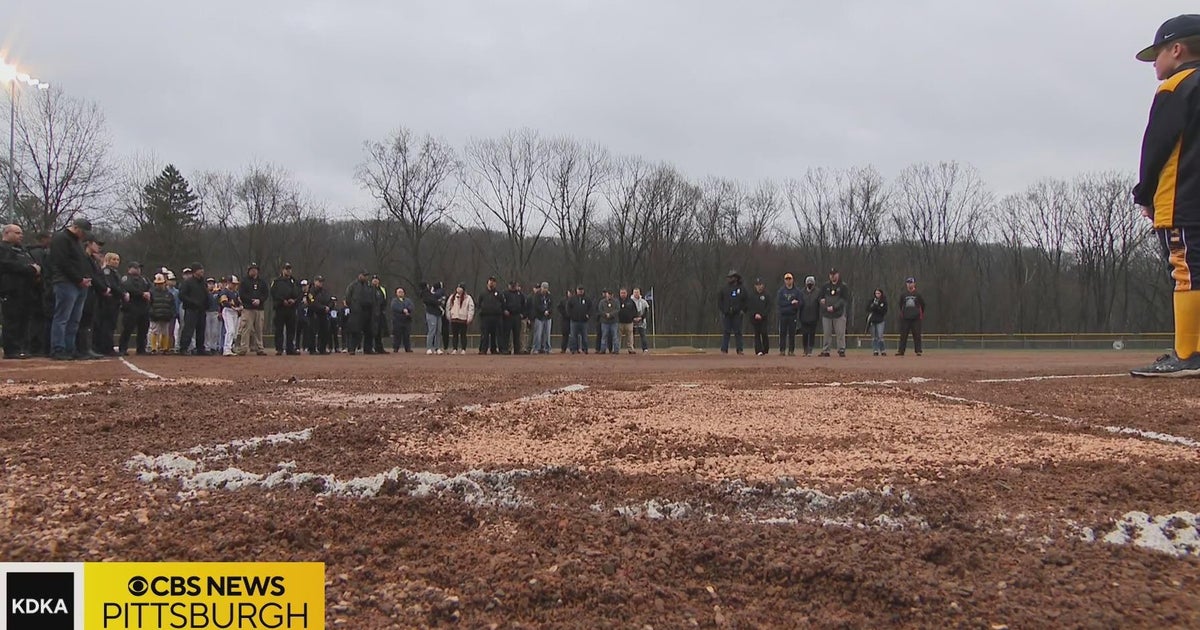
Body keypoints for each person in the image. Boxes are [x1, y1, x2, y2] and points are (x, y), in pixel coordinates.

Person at [1131, 15, 1200, 376]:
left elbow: (1157, 145)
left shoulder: (1177, 86)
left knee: (1186, 270)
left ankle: (1189, 354)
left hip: (1183, 200)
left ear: (1177, 49)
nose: (1155, 63)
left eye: (1157, 54)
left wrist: (1145, 192)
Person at [48, 218, 93, 360]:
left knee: (74, 319)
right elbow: (62, 262)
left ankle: (69, 348)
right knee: (62, 317)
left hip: (79, 284)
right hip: (66, 282)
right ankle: (58, 348)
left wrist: (84, 278)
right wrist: (78, 279)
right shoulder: (61, 238)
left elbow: (79, 262)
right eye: (83, 232)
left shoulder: (77, 242)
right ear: (76, 228)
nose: (84, 236)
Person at [0, 224, 41, 359]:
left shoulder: (22, 250)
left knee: (25, 319)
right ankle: (11, 350)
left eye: (21, 233)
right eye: (17, 233)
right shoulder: (2, 249)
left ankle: (23, 347)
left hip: (26, 290)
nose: (20, 235)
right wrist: (29, 268)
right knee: (12, 320)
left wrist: (35, 270)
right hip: (11, 290)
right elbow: (6, 265)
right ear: (6, 233)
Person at [74, 236, 107, 360]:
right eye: (97, 244)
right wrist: (103, 288)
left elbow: (98, 276)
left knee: (88, 322)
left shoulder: (93, 260)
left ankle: (87, 348)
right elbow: (91, 276)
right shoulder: (84, 258)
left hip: (93, 293)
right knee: (83, 321)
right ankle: (81, 349)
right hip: (85, 291)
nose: (99, 247)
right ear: (88, 244)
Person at [93, 252, 125, 356]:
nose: (116, 262)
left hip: (115, 302)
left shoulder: (115, 272)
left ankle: (107, 346)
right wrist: (123, 294)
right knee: (107, 325)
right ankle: (106, 348)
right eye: (113, 259)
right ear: (108, 260)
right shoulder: (107, 272)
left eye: (117, 259)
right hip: (107, 302)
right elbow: (112, 286)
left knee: (111, 325)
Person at [117, 261, 151, 356]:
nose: (138, 269)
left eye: (139, 268)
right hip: (131, 308)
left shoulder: (144, 279)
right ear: (130, 269)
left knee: (143, 330)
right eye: (135, 268)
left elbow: (150, 287)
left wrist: (149, 293)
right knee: (127, 329)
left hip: (143, 308)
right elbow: (128, 287)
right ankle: (123, 348)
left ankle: (141, 349)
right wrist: (141, 294)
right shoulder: (125, 278)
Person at [26, 231, 51, 356]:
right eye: (48, 238)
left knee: (36, 319)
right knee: (37, 319)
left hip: (35, 290)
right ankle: (36, 347)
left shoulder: (29, 252)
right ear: (42, 239)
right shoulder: (39, 253)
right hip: (38, 290)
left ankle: (34, 346)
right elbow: (41, 271)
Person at [236, 263, 268, 356]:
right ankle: (243, 348)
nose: (253, 271)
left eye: (255, 269)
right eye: (251, 269)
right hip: (248, 308)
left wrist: (260, 300)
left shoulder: (262, 282)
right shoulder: (244, 282)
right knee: (246, 328)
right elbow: (242, 294)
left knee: (259, 329)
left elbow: (265, 294)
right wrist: (250, 300)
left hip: (259, 308)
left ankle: (259, 348)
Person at [177, 263, 209, 355]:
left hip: (202, 310)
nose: (202, 271)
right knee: (188, 329)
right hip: (191, 309)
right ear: (195, 271)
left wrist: (207, 304)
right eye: (200, 269)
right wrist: (192, 302)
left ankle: (200, 349)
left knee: (201, 330)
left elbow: (206, 295)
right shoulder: (188, 282)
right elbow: (182, 295)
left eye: (202, 269)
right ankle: (183, 348)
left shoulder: (203, 283)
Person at [270, 263, 301, 355]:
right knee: (279, 329)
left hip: (291, 309)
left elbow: (299, 294)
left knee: (291, 329)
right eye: (286, 269)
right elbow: (273, 293)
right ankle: (279, 348)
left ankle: (290, 348)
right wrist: (282, 300)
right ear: (282, 270)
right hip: (280, 308)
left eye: (289, 269)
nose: (288, 271)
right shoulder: (277, 281)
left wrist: (294, 300)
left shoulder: (294, 281)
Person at [819, 268, 850, 358]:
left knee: (840, 333)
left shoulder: (843, 286)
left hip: (839, 314)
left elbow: (844, 300)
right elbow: (821, 298)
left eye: (834, 274)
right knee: (827, 333)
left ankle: (841, 349)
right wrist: (824, 304)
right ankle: (826, 350)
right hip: (827, 314)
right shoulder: (825, 286)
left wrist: (834, 307)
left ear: (838, 274)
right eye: (831, 274)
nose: (833, 276)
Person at [718, 270, 748, 355]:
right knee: (726, 331)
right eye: (729, 277)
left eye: (731, 277)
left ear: (735, 278)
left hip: (737, 314)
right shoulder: (724, 289)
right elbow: (720, 300)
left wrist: (743, 310)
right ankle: (724, 349)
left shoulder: (741, 288)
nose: (729, 279)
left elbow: (746, 300)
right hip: (727, 313)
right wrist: (723, 310)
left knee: (738, 332)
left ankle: (739, 349)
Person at [344, 271, 375, 355]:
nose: (366, 277)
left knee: (369, 331)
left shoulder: (369, 286)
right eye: (364, 275)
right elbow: (348, 298)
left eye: (367, 276)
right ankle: (352, 349)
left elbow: (373, 297)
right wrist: (353, 307)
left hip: (368, 311)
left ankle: (368, 349)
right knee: (355, 331)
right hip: (357, 312)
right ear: (360, 275)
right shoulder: (353, 286)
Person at [896, 278, 926, 357]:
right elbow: (900, 305)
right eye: (908, 283)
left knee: (917, 335)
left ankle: (918, 351)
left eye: (911, 283)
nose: (909, 284)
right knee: (903, 335)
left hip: (916, 318)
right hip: (905, 318)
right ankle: (901, 351)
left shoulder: (918, 294)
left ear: (914, 284)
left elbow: (923, 305)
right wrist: (903, 313)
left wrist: (919, 313)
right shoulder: (903, 295)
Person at [149, 273, 176, 353]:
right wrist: (152, 313)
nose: (159, 285)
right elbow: (149, 305)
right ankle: (154, 348)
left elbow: (172, 305)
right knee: (154, 332)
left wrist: (171, 314)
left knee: (165, 332)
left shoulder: (169, 294)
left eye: (161, 283)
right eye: (157, 284)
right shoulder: (152, 293)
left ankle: (164, 348)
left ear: (164, 283)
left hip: (166, 316)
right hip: (155, 316)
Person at [776, 273, 802, 356]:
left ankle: (791, 350)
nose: (788, 281)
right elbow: (780, 303)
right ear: (784, 280)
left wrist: (794, 305)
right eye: (786, 279)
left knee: (792, 334)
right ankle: (782, 350)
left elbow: (800, 303)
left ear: (792, 280)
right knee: (782, 333)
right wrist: (790, 303)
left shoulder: (797, 291)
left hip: (792, 315)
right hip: (783, 315)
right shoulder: (781, 291)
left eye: (789, 279)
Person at [446, 283, 475, 354]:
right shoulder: (452, 297)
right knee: (455, 335)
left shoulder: (468, 298)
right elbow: (448, 307)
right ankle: (455, 349)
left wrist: (469, 317)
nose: (458, 289)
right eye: (458, 287)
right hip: (454, 318)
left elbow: (471, 308)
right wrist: (449, 316)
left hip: (463, 319)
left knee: (463, 335)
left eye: (460, 288)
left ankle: (463, 349)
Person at [477, 276, 503, 354]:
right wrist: (480, 311)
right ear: (487, 283)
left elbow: (502, 304)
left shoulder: (498, 293)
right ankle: (483, 349)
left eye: (493, 281)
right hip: (485, 317)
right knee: (484, 334)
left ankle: (494, 349)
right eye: (490, 281)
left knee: (495, 334)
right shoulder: (482, 294)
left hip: (496, 317)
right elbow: (478, 304)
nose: (492, 283)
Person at [306, 276, 331, 354]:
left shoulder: (325, 291)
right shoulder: (311, 292)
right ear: (315, 281)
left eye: (321, 281)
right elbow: (312, 302)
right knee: (312, 331)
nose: (321, 283)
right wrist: (323, 307)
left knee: (324, 331)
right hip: (314, 313)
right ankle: (312, 349)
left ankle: (322, 348)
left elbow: (330, 300)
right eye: (319, 281)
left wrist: (329, 307)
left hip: (323, 314)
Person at [219, 276, 243, 356]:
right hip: (227, 311)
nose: (235, 285)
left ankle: (231, 347)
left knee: (235, 332)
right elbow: (224, 302)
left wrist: (240, 307)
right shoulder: (224, 291)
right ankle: (226, 349)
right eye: (233, 284)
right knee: (230, 330)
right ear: (229, 283)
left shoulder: (236, 292)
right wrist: (234, 307)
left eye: (235, 284)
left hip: (235, 312)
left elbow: (239, 302)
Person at [748, 278, 771, 356]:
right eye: (757, 285)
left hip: (764, 318)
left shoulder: (766, 295)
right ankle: (758, 350)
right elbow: (749, 307)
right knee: (757, 334)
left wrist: (762, 315)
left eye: (760, 285)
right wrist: (755, 314)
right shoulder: (751, 296)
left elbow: (769, 307)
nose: (759, 287)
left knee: (764, 333)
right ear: (755, 286)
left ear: (763, 285)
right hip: (754, 318)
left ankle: (766, 350)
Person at [799, 276, 820, 357]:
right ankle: (805, 349)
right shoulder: (802, 292)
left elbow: (819, 303)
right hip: (804, 316)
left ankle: (810, 349)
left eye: (811, 283)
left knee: (812, 334)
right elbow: (800, 304)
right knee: (804, 334)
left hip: (814, 316)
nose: (810, 284)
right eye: (808, 283)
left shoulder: (817, 292)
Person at [423, 281, 446, 354]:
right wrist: (438, 302)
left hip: (438, 313)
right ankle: (429, 348)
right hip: (431, 313)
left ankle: (437, 348)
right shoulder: (427, 294)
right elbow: (430, 301)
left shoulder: (440, 294)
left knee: (438, 331)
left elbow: (442, 301)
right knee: (432, 330)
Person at [502, 280, 525, 354]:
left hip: (517, 316)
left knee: (517, 334)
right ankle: (506, 349)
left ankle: (517, 350)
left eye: (514, 285)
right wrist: (504, 310)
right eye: (512, 285)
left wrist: (522, 313)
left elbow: (524, 304)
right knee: (506, 334)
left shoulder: (520, 294)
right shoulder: (505, 293)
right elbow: (502, 304)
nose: (513, 286)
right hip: (508, 316)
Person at [567, 286, 591, 354]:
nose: (580, 291)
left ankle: (585, 349)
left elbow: (591, 308)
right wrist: (571, 315)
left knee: (585, 336)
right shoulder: (572, 299)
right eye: (579, 290)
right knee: (573, 336)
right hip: (574, 321)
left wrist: (588, 315)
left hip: (584, 321)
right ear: (576, 290)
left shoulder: (587, 299)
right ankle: (573, 349)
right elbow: (568, 308)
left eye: (581, 290)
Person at [531, 282, 554, 354]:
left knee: (547, 334)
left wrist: (548, 311)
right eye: (544, 288)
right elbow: (536, 305)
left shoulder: (549, 296)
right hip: (539, 317)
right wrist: (543, 311)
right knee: (538, 334)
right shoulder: (537, 295)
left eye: (546, 288)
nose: (545, 290)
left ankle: (547, 348)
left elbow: (552, 305)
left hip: (548, 317)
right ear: (541, 288)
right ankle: (536, 348)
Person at [390, 287, 415, 353]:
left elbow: (411, 306)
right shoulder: (394, 301)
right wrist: (402, 310)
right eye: (399, 292)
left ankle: (408, 348)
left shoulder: (408, 300)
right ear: (396, 293)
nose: (401, 293)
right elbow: (394, 307)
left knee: (406, 335)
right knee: (397, 335)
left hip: (406, 320)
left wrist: (407, 310)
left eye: (402, 292)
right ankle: (396, 348)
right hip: (397, 320)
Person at [867, 288, 889, 356]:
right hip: (873, 320)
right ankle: (875, 350)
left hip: (880, 320)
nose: (877, 295)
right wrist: (873, 306)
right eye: (876, 293)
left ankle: (882, 350)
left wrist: (877, 307)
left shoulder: (884, 301)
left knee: (880, 336)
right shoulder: (872, 301)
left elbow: (884, 311)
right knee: (874, 337)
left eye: (878, 293)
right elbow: (868, 308)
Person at [204, 278, 223, 354]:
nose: (211, 285)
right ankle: (207, 347)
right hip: (207, 312)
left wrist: (220, 312)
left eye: (212, 283)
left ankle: (213, 347)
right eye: (209, 283)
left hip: (215, 312)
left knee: (215, 331)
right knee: (207, 331)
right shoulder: (205, 293)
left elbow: (220, 304)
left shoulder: (217, 294)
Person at [597, 289, 619, 354]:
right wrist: (605, 314)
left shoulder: (616, 301)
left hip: (614, 322)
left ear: (612, 295)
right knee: (604, 336)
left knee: (615, 336)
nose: (609, 296)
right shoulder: (602, 302)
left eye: (610, 295)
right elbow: (600, 310)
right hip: (604, 322)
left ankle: (616, 350)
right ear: (606, 294)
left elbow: (617, 309)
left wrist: (610, 314)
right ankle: (603, 349)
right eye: (608, 294)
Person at [370, 275, 388, 354]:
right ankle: (371, 347)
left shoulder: (382, 289)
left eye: (376, 279)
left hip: (380, 313)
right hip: (372, 313)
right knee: (372, 331)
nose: (375, 281)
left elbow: (384, 300)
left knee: (379, 331)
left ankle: (379, 348)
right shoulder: (369, 289)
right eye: (374, 280)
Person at [617, 288, 638, 355]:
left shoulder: (631, 301)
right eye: (621, 293)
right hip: (619, 322)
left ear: (627, 293)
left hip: (629, 322)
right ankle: (617, 349)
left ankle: (631, 349)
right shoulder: (617, 301)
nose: (623, 294)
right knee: (618, 337)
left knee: (630, 337)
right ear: (619, 293)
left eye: (624, 293)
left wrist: (633, 317)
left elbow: (635, 311)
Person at [632, 287, 650, 353]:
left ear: (639, 293)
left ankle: (645, 348)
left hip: (641, 321)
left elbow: (646, 311)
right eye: (635, 292)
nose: (636, 294)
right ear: (633, 293)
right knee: (631, 336)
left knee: (643, 335)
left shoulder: (644, 302)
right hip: (632, 321)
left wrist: (641, 318)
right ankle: (631, 348)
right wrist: (633, 318)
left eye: (637, 292)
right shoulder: (630, 301)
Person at [558, 288, 572, 354]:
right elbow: (559, 308)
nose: (570, 294)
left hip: (573, 319)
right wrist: (564, 314)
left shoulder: (574, 300)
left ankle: (574, 348)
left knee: (574, 335)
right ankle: (563, 348)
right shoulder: (563, 300)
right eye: (569, 292)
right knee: (565, 335)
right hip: (565, 320)